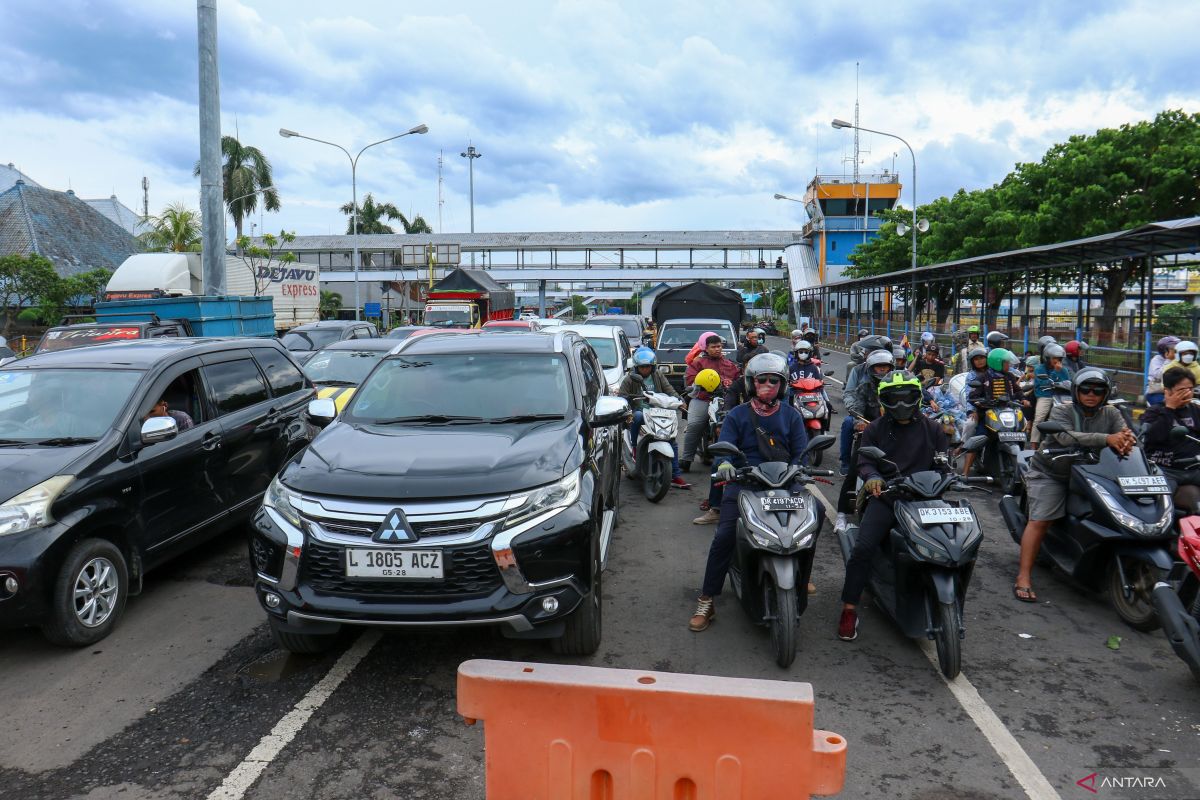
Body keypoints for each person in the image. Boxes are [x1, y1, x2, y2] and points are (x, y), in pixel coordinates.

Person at [688, 353, 812, 631]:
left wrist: (800, 471)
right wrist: (726, 465)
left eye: (774, 380)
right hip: (745, 484)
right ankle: (707, 599)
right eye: (762, 380)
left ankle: (800, 577)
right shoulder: (737, 415)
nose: (768, 384)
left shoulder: (792, 416)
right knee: (724, 536)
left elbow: (801, 454)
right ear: (750, 383)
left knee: (809, 529)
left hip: (785, 485)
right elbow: (724, 451)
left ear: (782, 385)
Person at [837, 370, 948, 641]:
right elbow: (865, 461)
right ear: (883, 400)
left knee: (952, 546)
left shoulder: (933, 428)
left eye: (906, 397)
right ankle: (849, 608)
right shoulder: (875, 428)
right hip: (888, 497)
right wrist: (873, 478)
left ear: (917, 397)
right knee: (863, 548)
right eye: (893, 399)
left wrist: (947, 476)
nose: (900, 404)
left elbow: (943, 462)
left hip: (926, 500)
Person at [1015, 368, 1134, 602]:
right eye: (1086, 389)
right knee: (1040, 521)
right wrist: (1107, 439)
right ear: (1076, 391)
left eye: (1098, 390)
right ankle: (1023, 576)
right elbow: (1066, 437)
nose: (1091, 394)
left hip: (1092, 473)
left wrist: (1127, 440)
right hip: (1053, 472)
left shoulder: (1111, 413)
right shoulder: (1062, 410)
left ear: (1106, 393)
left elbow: (1126, 435)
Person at [834, 349, 896, 531]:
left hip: (893, 431)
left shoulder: (896, 382)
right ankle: (841, 514)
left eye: (885, 367)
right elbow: (855, 400)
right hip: (869, 429)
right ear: (871, 368)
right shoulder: (864, 384)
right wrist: (859, 420)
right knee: (855, 469)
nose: (882, 371)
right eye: (878, 367)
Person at [618, 347, 691, 489]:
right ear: (636, 367)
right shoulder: (629, 379)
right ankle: (634, 446)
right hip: (639, 411)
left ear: (653, 366)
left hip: (658, 412)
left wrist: (679, 400)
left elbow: (668, 389)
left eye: (648, 366)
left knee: (671, 440)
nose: (645, 369)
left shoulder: (658, 375)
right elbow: (622, 396)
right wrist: (627, 403)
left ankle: (675, 475)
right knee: (638, 416)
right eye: (642, 367)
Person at [1141, 368, 1200, 513]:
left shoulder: (1195, 410)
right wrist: (1170, 408)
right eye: (1181, 390)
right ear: (1168, 391)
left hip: (1194, 468)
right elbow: (1153, 437)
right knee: (1158, 507)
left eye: (1190, 389)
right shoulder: (1154, 412)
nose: (1187, 393)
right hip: (1166, 470)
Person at [681, 334, 740, 472]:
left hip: (725, 401)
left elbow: (738, 380)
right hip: (703, 398)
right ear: (706, 348)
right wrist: (700, 384)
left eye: (719, 346)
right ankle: (686, 459)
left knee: (735, 425)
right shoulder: (698, 363)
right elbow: (689, 380)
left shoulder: (730, 364)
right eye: (713, 347)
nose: (717, 349)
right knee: (695, 425)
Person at [960, 348, 1021, 477]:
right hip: (987, 413)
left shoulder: (1009, 375)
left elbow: (1017, 390)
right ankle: (964, 472)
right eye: (976, 359)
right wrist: (975, 407)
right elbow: (971, 395)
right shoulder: (981, 377)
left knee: (1021, 428)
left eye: (982, 358)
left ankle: (1023, 466)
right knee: (978, 436)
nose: (980, 361)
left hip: (1006, 412)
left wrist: (1023, 399)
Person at [1030, 343, 1070, 444]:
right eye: (1054, 358)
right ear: (1047, 358)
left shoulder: (1064, 370)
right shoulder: (1039, 368)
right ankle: (1033, 443)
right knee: (1039, 418)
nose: (1057, 361)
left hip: (1060, 396)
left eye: (1059, 358)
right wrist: (1056, 372)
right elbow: (1043, 382)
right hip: (1045, 395)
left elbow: (1067, 382)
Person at [1145, 336, 1180, 406]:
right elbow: (1158, 375)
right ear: (1165, 351)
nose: (1175, 351)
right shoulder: (1156, 359)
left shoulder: (1178, 360)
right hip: (1156, 392)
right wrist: (1169, 360)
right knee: (1166, 406)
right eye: (1173, 349)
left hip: (1173, 391)